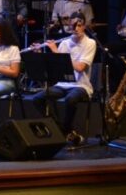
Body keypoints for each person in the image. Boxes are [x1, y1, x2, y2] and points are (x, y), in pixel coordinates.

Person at [31, 13, 96, 146]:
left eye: (79, 25)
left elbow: (80, 67)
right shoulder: (65, 43)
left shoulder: (90, 43)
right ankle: (61, 129)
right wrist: (40, 54)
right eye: (73, 26)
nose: (76, 29)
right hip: (63, 84)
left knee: (70, 99)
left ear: (84, 26)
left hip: (81, 85)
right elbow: (56, 68)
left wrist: (57, 52)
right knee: (37, 99)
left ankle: (64, 131)